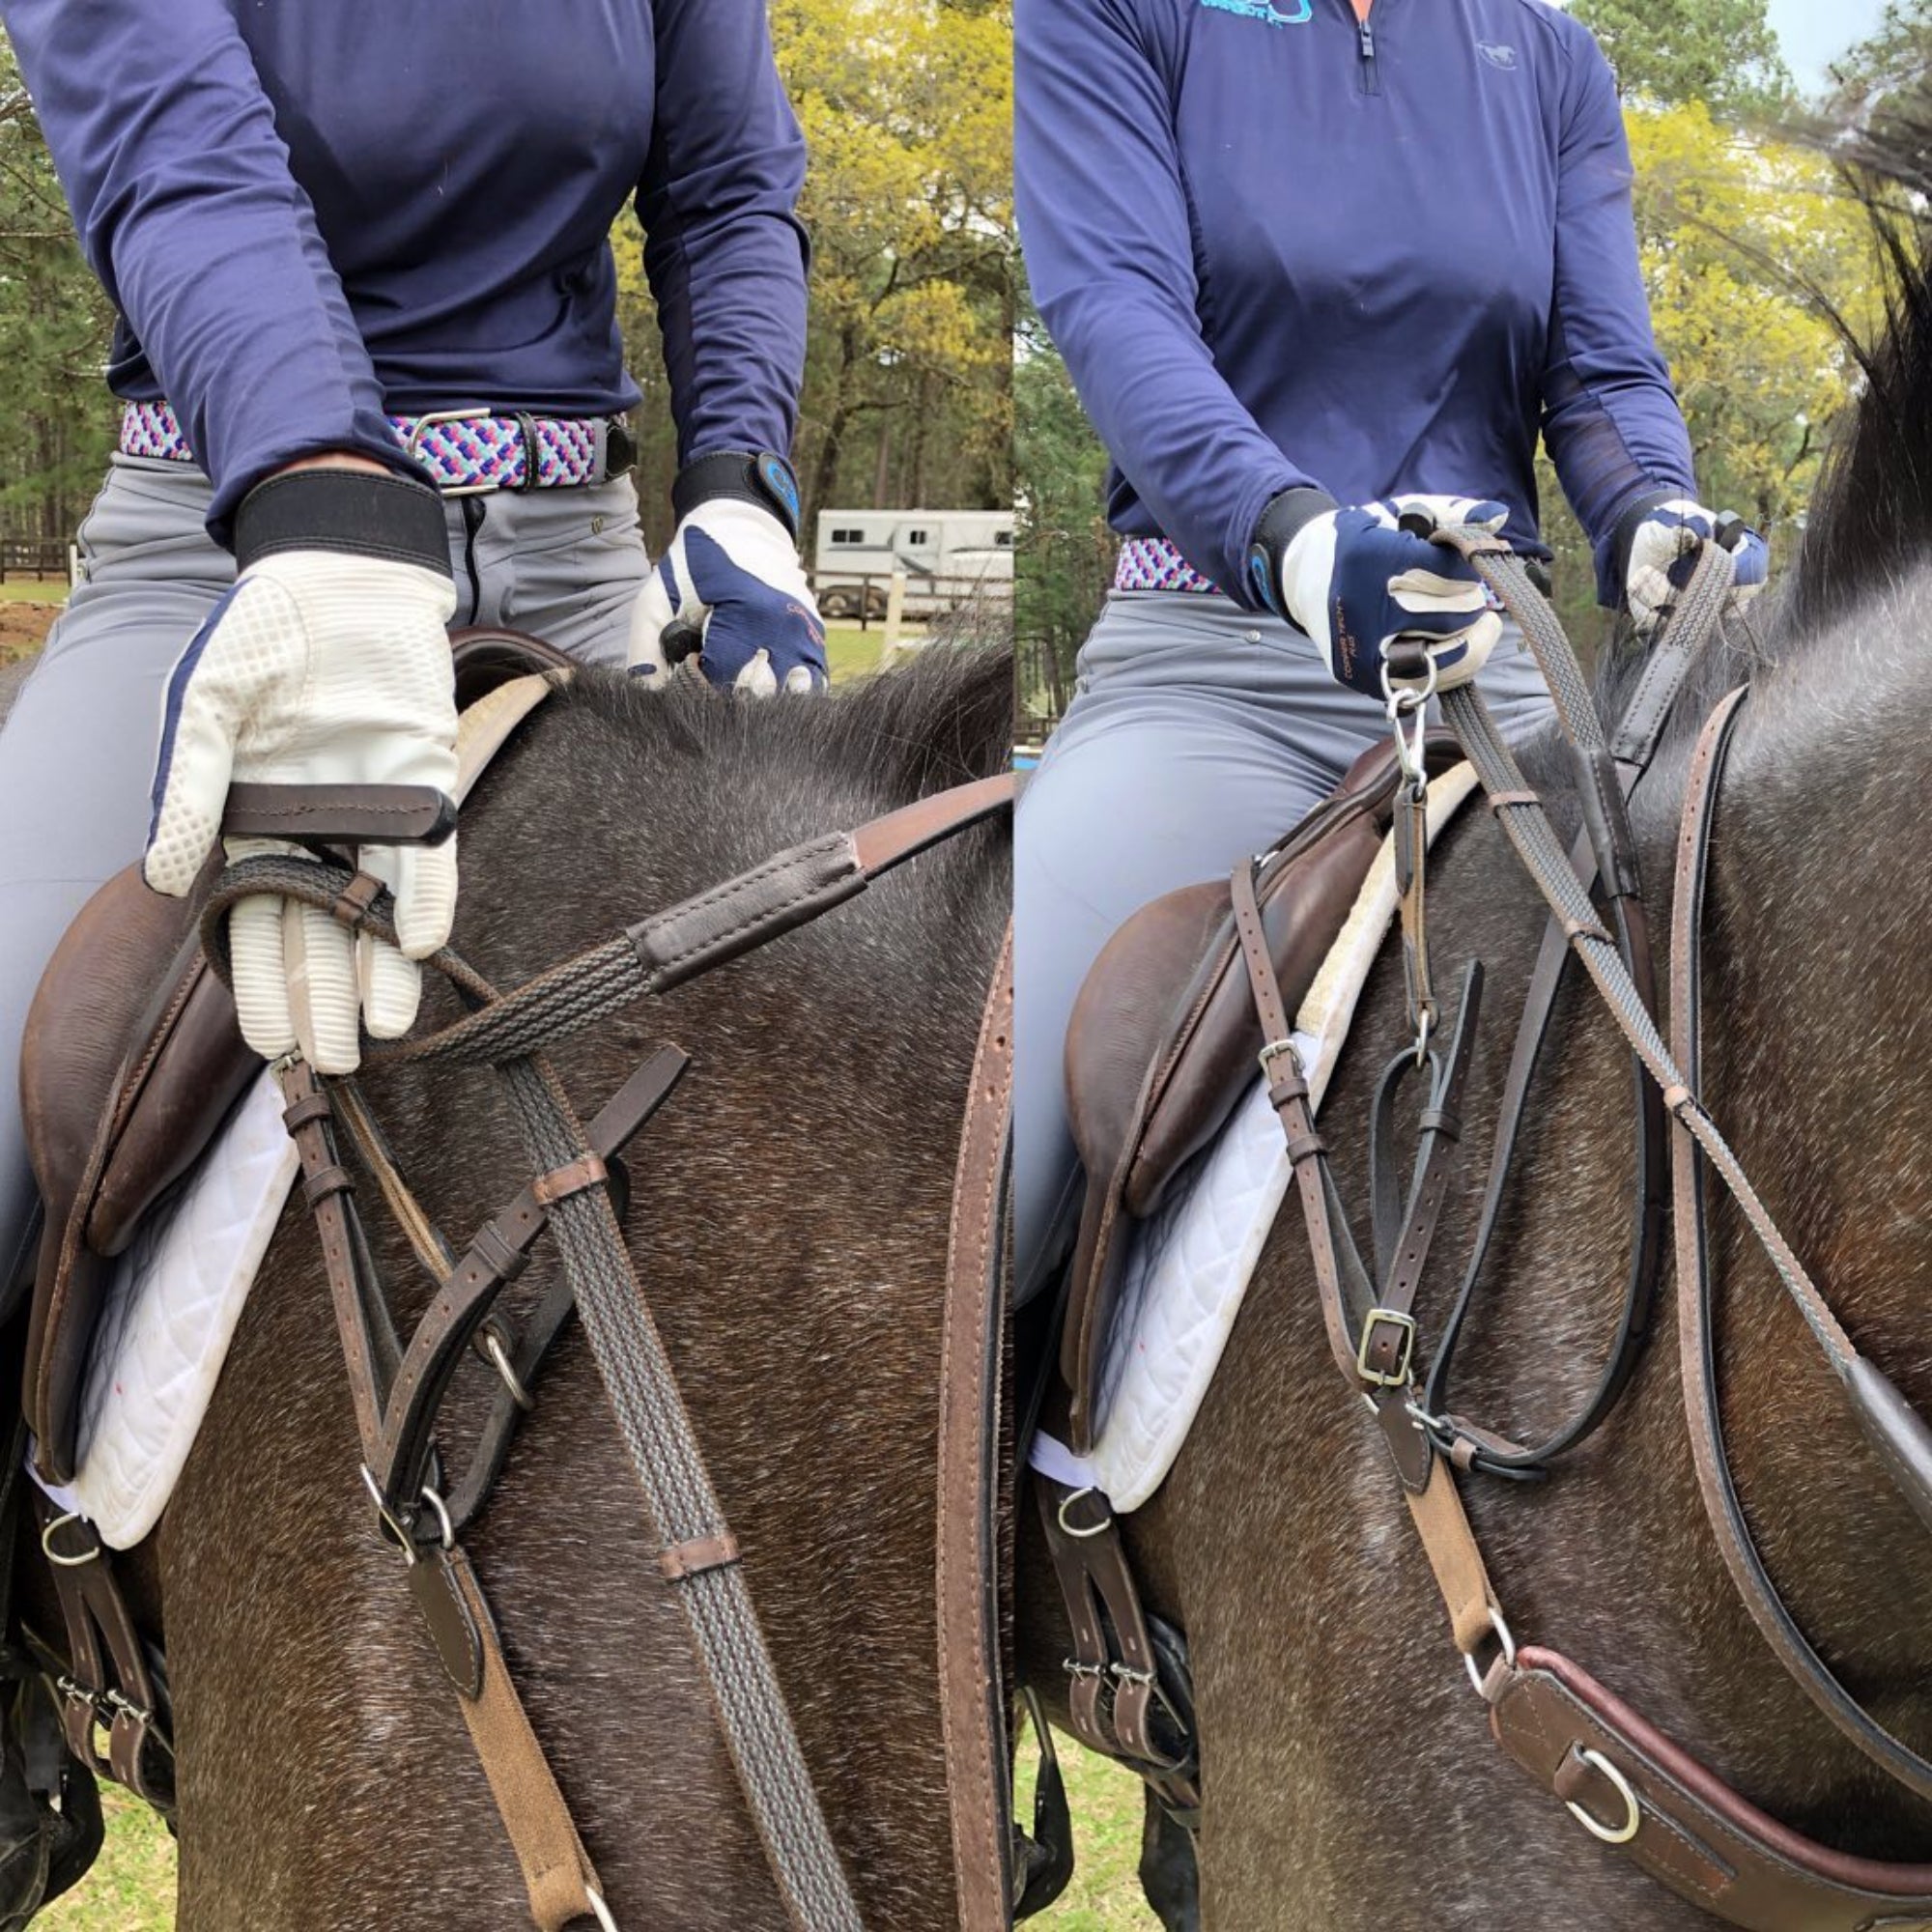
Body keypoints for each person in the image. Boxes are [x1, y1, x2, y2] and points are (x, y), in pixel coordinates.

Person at [0, 1, 830, 1301]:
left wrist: (736, 478)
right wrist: (323, 490)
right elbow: (179, 146)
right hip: (239, 544)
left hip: (577, 565)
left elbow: (727, 190)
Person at [1010, 0, 1767, 1303]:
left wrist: (1653, 510)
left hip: (1495, 685)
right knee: (1010, 1167)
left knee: (1724, 1070)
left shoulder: (1545, 58)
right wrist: (1289, 536)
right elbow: (1119, 310)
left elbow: (1597, 374)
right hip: (1212, 663)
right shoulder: (1113, 11)